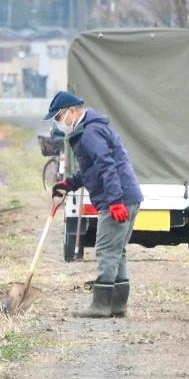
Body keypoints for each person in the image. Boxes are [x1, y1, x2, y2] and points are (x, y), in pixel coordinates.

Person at [47, 90, 143, 319]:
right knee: (117, 251)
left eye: (58, 117)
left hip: (118, 198)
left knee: (106, 250)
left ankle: (100, 305)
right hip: (127, 196)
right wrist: (69, 183)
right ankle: (117, 306)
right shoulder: (92, 128)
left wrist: (114, 201)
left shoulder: (89, 132)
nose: (59, 123)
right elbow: (92, 169)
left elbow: (107, 166)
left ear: (71, 111)